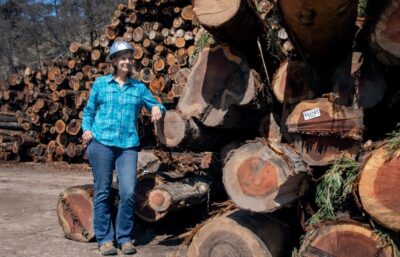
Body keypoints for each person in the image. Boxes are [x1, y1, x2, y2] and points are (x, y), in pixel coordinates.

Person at [81, 40, 165, 256]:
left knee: (128, 192)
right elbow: (88, 112)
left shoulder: (138, 88)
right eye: (122, 57)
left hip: (127, 145)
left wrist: (156, 106)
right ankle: (105, 239)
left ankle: (125, 238)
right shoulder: (101, 84)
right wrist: (86, 130)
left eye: (130, 57)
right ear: (115, 61)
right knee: (103, 192)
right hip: (100, 143)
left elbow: (158, 105)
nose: (127, 60)